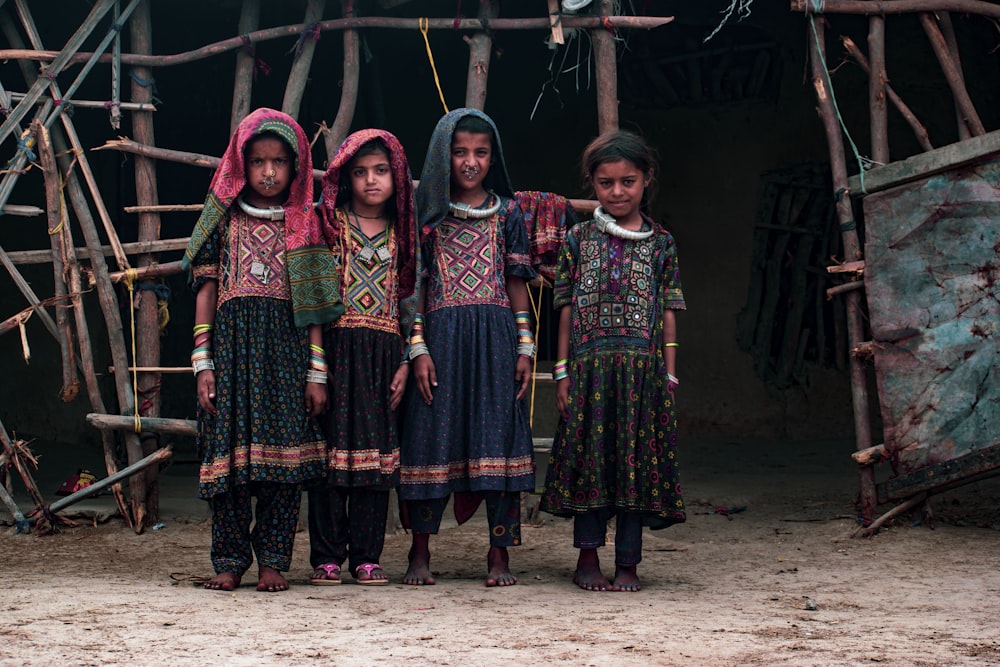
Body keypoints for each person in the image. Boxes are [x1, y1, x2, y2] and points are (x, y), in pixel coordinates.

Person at [182, 108, 343, 592]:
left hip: (288, 356)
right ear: (240, 164)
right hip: (231, 354)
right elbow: (206, 290)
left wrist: (317, 373)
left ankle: (274, 560)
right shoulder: (223, 219)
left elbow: (315, 307)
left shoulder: (305, 224)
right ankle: (229, 561)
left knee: (283, 467)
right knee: (227, 464)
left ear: (296, 168)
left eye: (279, 162)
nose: (269, 172)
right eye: (258, 161)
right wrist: (201, 361)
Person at [540, 129, 686, 592]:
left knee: (633, 463)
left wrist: (669, 369)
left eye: (628, 181)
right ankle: (587, 560)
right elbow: (564, 308)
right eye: (606, 183)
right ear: (593, 184)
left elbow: (668, 309)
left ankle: (628, 563)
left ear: (646, 180)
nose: (618, 191)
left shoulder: (662, 243)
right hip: (588, 372)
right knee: (590, 461)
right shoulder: (578, 239)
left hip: (641, 374)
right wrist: (562, 372)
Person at [400, 108, 537, 587]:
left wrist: (525, 346)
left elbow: (518, 282)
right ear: (443, 155)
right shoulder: (426, 216)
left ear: (493, 156)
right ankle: (420, 553)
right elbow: (412, 285)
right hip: (440, 342)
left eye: (481, 152)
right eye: (460, 151)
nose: (471, 162)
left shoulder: (510, 213)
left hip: (498, 341)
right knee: (428, 437)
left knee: (500, 441)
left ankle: (499, 555)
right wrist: (417, 347)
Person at [307, 129, 418, 586]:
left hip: (384, 354)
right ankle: (326, 556)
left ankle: (367, 556)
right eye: (359, 172)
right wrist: (316, 366)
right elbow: (312, 297)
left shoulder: (404, 235)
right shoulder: (328, 226)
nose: (371, 180)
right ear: (344, 177)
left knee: (376, 461)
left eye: (381, 170)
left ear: (397, 176)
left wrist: (408, 361)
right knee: (329, 459)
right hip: (336, 350)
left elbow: (411, 301)